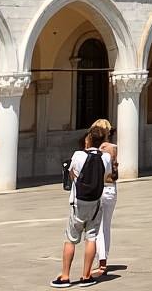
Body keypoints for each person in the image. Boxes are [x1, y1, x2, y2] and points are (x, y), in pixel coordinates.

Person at [52, 125, 112, 288]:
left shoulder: (78, 155)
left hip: (78, 202)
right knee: (91, 238)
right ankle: (86, 276)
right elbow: (106, 174)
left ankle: (65, 276)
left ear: (89, 139)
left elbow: (71, 172)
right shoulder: (105, 157)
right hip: (95, 203)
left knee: (70, 239)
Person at [89, 119, 119, 280]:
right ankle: (102, 259)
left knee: (96, 227)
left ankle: (100, 261)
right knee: (105, 226)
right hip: (111, 190)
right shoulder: (113, 148)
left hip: (98, 190)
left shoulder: (94, 150)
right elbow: (114, 173)